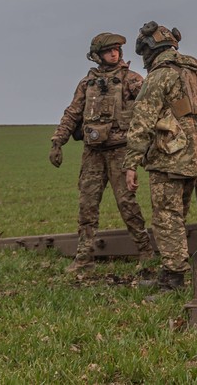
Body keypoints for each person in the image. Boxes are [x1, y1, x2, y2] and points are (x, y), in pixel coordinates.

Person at [50, 32, 154, 274]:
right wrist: (57, 141)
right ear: (97, 55)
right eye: (109, 50)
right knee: (87, 206)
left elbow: (150, 105)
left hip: (120, 152)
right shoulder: (87, 84)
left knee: (127, 205)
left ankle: (146, 252)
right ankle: (84, 258)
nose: (114, 53)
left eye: (117, 49)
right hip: (93, 153)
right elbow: (73, 113)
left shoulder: (131, 79)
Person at [123, 21, 197, 291]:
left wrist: (130, 164)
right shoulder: (193, 72)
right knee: (178, 216)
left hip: (169, 158)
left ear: (150, 49)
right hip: (194, 157)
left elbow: (142, 121)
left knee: (166, 219)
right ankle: (175, 269)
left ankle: (173, 279)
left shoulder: (160, 75)